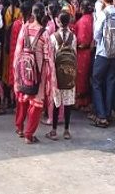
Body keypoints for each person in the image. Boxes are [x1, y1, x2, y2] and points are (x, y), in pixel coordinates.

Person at [13, 3, 54, 144]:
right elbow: (48, 58)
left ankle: (19, 127)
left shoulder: (24, 29)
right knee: (36, 104)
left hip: (23, 71)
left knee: (22, 99)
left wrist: (16, 73)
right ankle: (29, 134)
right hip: (38, 74)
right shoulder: (44, 33)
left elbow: (17, 53)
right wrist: (50, 80)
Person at [90, 0, 115, 128]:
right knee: (110, 83)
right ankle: (107, 113)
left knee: (96, 82)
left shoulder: (103, 14)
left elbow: (96, 34)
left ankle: (101, 115)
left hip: (103, 52)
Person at [48, 11, 76, 140]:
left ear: (58, 22)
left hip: (57, 73)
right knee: (68, 102)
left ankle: (53, 130)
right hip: (69, 72)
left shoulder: (53, 37)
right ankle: (66, 130)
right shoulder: (73, 37)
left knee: (56, 102)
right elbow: (74, 55)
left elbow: (51, 56)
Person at [73, 0, 94, 109]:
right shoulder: (93, 18)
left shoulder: (81, 22)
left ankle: (80, 101)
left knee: (81, 77)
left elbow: (79, 40)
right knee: (87, 76)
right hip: (91, 51)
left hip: (82, 52)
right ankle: (87, 100)